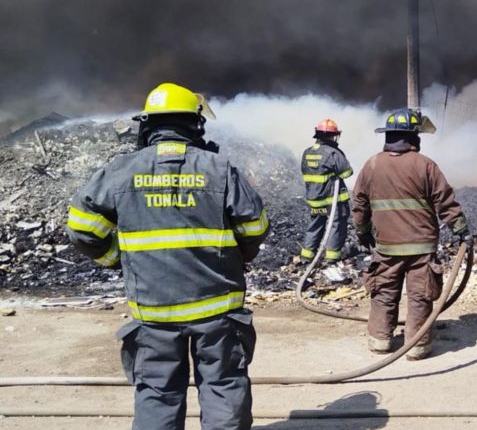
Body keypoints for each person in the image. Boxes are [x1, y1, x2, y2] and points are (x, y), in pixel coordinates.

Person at [66, 82, 269, 430]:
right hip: (217, 308)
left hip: (153, 310)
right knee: (223, 389)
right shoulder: (219, 170)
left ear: (147, 126)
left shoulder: (120, 171)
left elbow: (83, 229)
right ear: (195, 124)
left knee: (158, 395)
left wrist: (119, 259)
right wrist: (235, 259)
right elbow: (255, 227)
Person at [351, 108, 471, 360]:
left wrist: (362, 231)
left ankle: (381, 341)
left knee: (383, 292)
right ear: (413, 137)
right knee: (420, 297)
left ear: (390, 136)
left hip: (387, 246)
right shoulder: (425, 165)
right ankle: (417, 347)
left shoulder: (372, 164)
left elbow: (360, 203)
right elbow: (445, 202)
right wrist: (462, 231)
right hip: (421, 248)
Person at [300, 118, 353, 262]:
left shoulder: (307, 152)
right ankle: (332, 257)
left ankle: (306, 256)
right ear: (332, 136)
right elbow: (347, 173)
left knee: (315, 225)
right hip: (333, 200)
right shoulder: (333, 153)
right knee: (336, 225)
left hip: (314, 199)